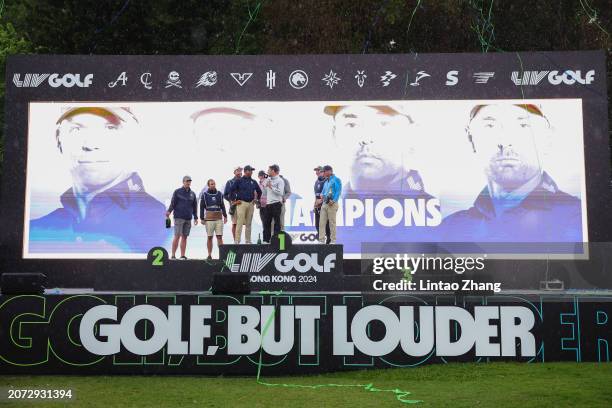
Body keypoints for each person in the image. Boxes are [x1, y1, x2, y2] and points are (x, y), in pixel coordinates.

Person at [29, 107, 167, 254]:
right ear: (58, 141)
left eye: (110, 128)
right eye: (76, 129)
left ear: (134, 140)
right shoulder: (35, 232)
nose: (90, 144)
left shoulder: (164, 227)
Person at [441, 103, 583, 243]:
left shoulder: (580, 219)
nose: (505, 141)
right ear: (470, 139)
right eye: (490, 126)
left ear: (547, 137)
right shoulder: (449, 230)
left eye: (523, 126)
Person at [323, 104, 438, 251]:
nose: (365, 138)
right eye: (351, 125)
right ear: (334, 135)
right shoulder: (317, 221)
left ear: (412, 135)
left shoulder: (444, 221)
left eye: (383, 124)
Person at [166, 176, 198, 259]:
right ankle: (173, 255)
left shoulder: (192, 194)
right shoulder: (177, 192)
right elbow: (173, 203)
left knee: (185, 237)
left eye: (189, 181)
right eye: (187, 181)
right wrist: (169, 211)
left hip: (188, 218)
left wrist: (195, 217)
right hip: (179, 217)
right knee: (177, 236)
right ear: (183, 182)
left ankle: (182, 255)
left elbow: (195, 206)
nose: (188, 182)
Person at [229, 165, 262, 244]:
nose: (251, 172)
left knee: (248, 223)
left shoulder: (253, 181)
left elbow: (259, 191)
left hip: (251, 204)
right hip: (241, 203)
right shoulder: (239, 180)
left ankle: (248, 240)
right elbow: (231, 190)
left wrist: (256, 200)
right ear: (246, 171)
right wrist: (234, 201)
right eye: (250, 170)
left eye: (252, 171)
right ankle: (237, 241)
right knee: (239, 222)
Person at [199, 179, 227, 260]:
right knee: (209, 237)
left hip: (218, 218)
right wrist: (202, 218)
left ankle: (222, 255)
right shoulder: (204, 195)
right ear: (208, 185)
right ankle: (209, 255)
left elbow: (222, 205)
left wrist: (225, 216)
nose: (213, 185)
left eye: (214, 184)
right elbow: (201, 207)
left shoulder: (219, 194)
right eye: (211, 184)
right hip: (209, 219)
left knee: (219, 237)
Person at [317, 165, 342, 244]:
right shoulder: (326, 181)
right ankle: (321, 240)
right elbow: (323, 192)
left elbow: (338, 191)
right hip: (324, 203)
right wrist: (321, 195)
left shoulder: (336, 179)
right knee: (321, 222)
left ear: (329, 171)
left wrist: (334, 200)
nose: (323, 173)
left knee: (332, 222)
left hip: (332, 204)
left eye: (324, 171)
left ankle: (333, 240)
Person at [262, 165, 285, 243]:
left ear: (273, 171)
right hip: (268, 204)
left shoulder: (280, 180)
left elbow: (281, 192)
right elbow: (264, 187)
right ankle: (266, 240)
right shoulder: (268, 179)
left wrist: (271, 187)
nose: (267, 171)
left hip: (276, 203)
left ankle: (276, 241)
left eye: (269, 170)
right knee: (266, 223)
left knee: (277, 223)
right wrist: (265, 180)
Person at [223, 166, 242, 242]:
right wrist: (232, 201)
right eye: (238, 170)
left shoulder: (244, 181)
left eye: (240, 171)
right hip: (234, 206)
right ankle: (236, 241)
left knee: (241, 224)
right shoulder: (230, 182)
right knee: (234, 224)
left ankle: (240, 240)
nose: (239, 172)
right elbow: (225, 195)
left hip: (243, 205)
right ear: (234, 172)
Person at [313, 166, 330, 243]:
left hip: (325, 205)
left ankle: (329, 239)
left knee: (326, 224)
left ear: (323, 172)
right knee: (317, 224)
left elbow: (329, 194)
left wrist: (321, 201)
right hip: (318, 206)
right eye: (316, 171)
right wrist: (315, 204)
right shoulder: (316, 182)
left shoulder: (328, 181)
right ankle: (321, 240)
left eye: (318, 171)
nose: (316, 172)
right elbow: (316, 195)